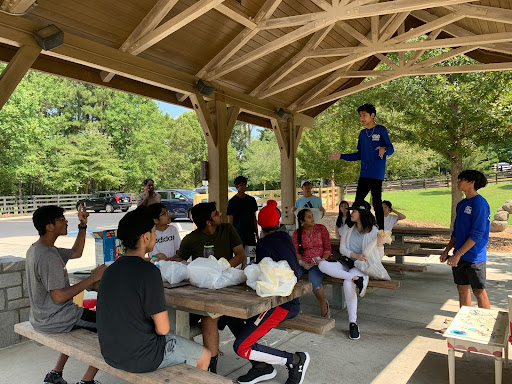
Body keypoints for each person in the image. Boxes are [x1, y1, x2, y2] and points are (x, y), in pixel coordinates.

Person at [96, 207, 210, 373]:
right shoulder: (149, 272)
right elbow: (163, 329)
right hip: (141, 356)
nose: (155, 237)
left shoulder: (110, 269)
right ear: (146, 237)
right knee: (204, 356)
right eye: (154, 233)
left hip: (110, 353)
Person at [226, 200, 310, 384]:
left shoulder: (264, 244)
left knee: (241, 347)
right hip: (282, 299)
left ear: (259, 225)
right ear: (278, 224)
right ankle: (261, 366)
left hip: (281, 305)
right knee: (230, 316)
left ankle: (294, 360)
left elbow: (263, 276)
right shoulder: (285, 237)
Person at [26, 205, 106, 384]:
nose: (66, 221)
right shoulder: (48, 256)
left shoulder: (40, 249)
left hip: (43, 317)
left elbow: (76, 253)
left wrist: (83, 225)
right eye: (61, 219)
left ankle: (55, 373)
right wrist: (93, 278)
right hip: (58, 318)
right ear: (50, 226)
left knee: (88, 320)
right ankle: (87, 381)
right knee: (112, 327)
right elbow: (59, 297)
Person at [178, 202, 245, 373]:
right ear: (208, 222)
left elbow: (240, 255)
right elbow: (179, 260)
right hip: (202, 291)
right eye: (216, 213)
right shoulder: (191, 239)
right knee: (200, 317)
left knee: (218, 318)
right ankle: (210, 366)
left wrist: (222, 267)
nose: (220, 214)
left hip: (227, 286)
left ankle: (213, 364)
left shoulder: (227, 230)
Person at [318, 200, 385, 340]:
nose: (351, 213)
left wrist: (379, 244)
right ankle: (356, 279)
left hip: (362, 267)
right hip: (347, 263)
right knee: (322, 265)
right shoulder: (349, 228)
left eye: (354, 211)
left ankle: (353, 323)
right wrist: (356, 256)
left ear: (362, 213)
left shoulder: (374, 231)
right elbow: (342, 249)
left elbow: (379, 257)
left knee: (347, 283)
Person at [328, 104, 394, 230]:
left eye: (364, 115)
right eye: (360, 116)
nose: (362, 118)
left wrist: (384, 148)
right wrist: (341, 156)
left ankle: (380, 230)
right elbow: (359, 155)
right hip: (364, 173)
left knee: (376, 202)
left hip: (377, 173)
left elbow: (391, 149)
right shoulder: (362, 134)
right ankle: (352, 227)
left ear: (372, 115)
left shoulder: (381, 130)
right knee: (358, 201)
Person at [440, 170, 491, 309]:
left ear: (471, 182)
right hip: (459, 255)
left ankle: (486, 327)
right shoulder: (461, 204)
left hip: (474, 257)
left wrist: (458, 254)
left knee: (478, 291)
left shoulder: (480, 203)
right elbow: (456, 232)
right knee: (462, 290)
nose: (457, 182)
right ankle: (464, 326)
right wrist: (447, 251)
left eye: (461, 179)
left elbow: (477, 233)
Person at [292, 209, 331, 318]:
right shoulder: (297, 233)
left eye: (312, 216)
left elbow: (328, 248)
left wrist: (322, 260)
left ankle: (323, 303)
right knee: (292, 278)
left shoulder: (321, 229)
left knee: (313, 281)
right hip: (304, 262)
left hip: (319, 263)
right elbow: (295, 251)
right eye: (309, 217)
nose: (312, 219)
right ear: (302, 221)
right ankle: (293, 307)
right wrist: (303, 263)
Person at [227, 175, 258, 248]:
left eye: (244, 185)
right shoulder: (232, 202)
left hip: (250, 233)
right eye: (241, 185)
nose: (243, 187)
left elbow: (254, 217)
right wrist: (231, 235)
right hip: (239, 234)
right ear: (236, 187)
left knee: (252, 253)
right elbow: (230, 220)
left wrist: (256, 231)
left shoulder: (251, 200)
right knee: (241, 255)